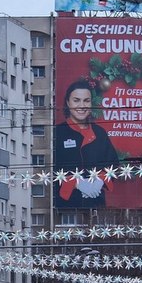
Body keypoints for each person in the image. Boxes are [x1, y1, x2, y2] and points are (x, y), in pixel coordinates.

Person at [53, 80, 120, 208]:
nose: (82, 106)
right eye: (76, 100)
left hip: (96, 204)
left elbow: (113, 164)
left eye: (86, 101)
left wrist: (100, 181)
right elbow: (51, 167)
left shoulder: (100, 133)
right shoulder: (58, 132)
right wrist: (76, 183)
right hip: (65, 206)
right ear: (68, 102)